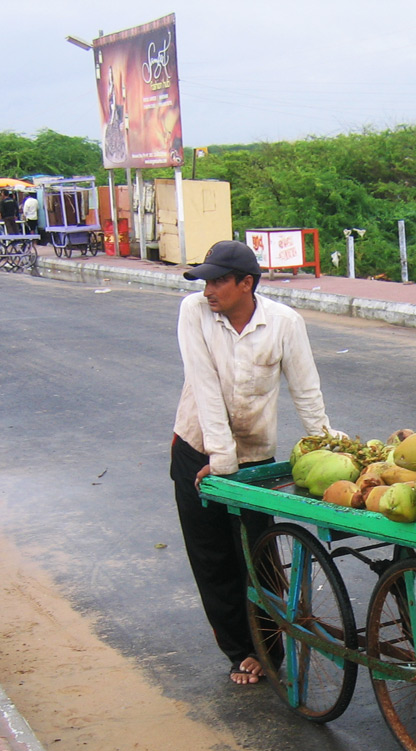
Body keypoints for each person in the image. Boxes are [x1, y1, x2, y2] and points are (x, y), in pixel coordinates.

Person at [170, 240, 338, 685]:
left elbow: (306, 391)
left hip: (254, 458)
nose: (208, 290)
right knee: (213, 559)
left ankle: (268, 648)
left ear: (247, 284)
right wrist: (219, 459)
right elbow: (204, 386)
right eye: (205, 280)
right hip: (196, 449)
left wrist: (330, 448)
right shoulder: (194, 312)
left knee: (258, 557)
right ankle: (239, 649)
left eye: (218, 281)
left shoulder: (284, 323)